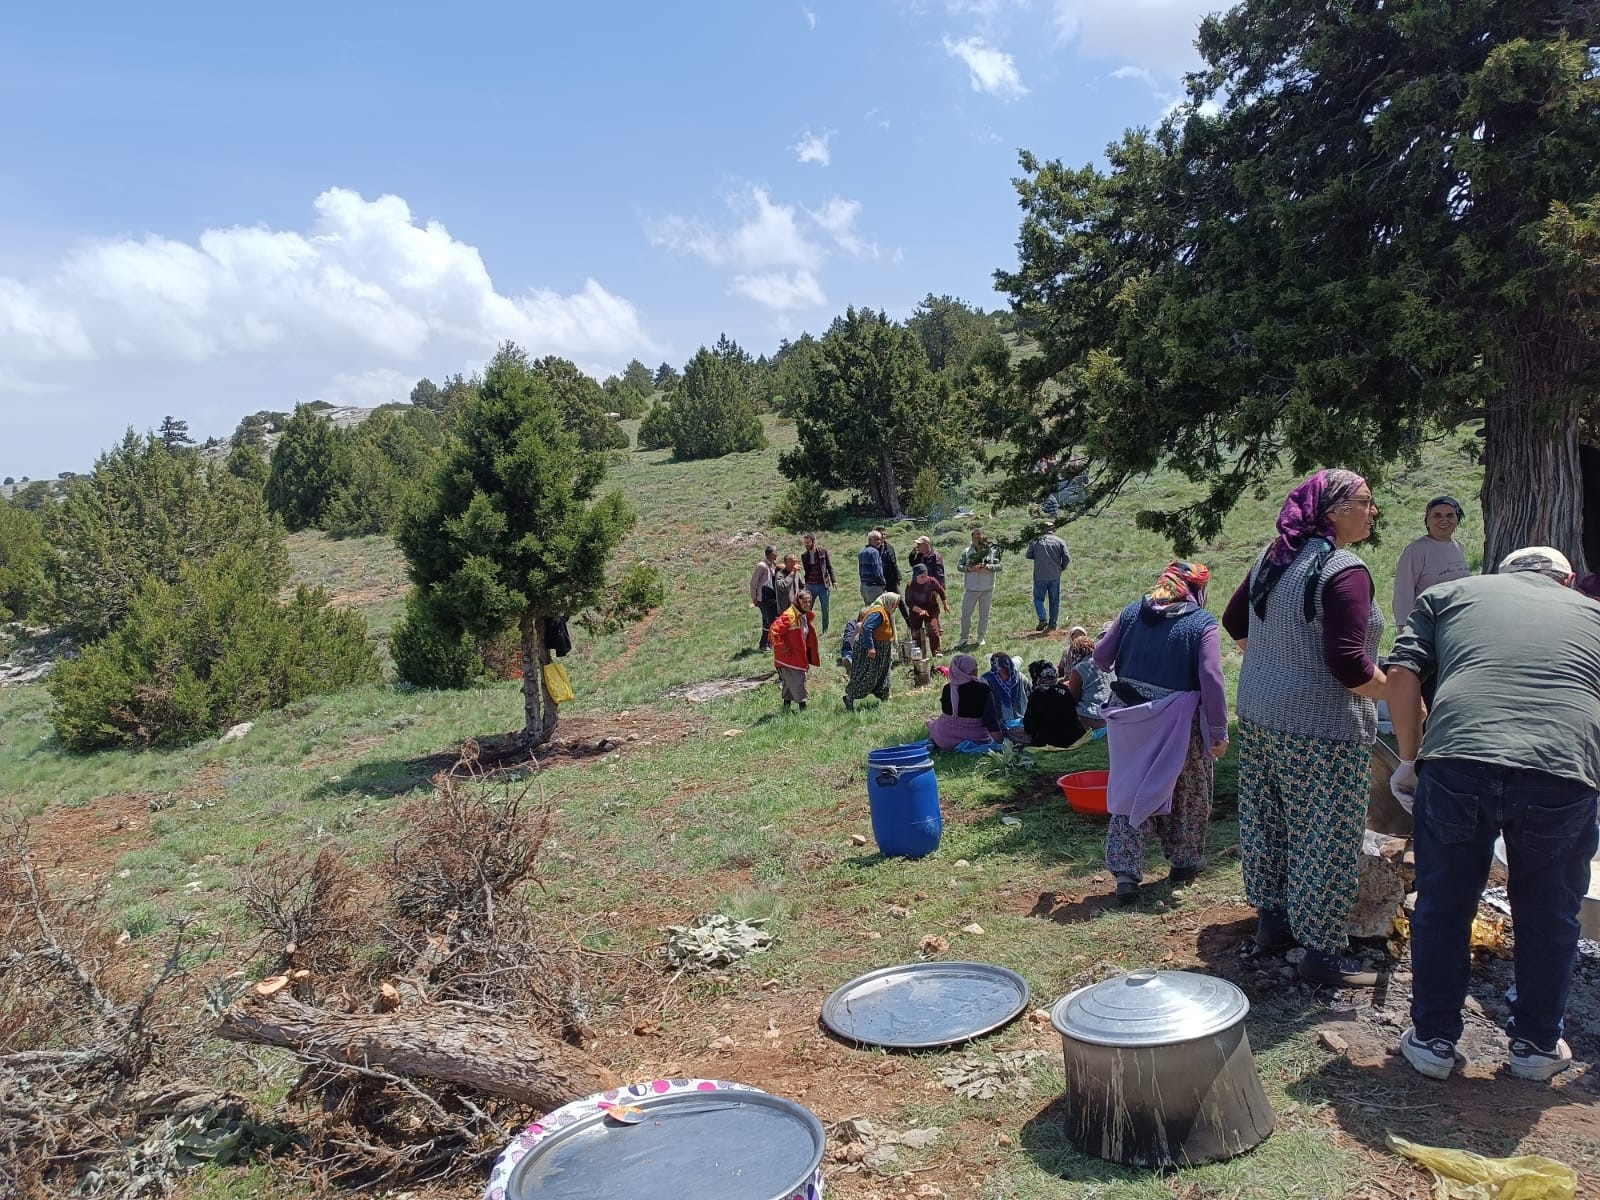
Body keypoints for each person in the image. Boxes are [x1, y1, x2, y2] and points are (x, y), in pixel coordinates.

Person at [1387, 546, 1600, 1082]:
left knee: (1445, 904)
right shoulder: (1592, 613)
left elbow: (1402, 672)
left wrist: (1410, 759)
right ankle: (1535, 1047)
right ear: (1567, 579)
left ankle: (1433, 1039)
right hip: (1562, 769)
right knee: (1550, 914)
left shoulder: (1449, 594)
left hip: (1458, 759)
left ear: (1499, 575)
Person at [1221, 468, 1388, 986]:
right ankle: (1321, 955)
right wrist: (1405, 696)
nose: (1373, 510)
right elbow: (1349, 667)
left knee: (1271, 821)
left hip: (1261, 714)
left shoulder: (1277, 555)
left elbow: (1234, 621)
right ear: (1334, 510)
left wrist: (1275, 665)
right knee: (1326, 836)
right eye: (1365, 500)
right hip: (1322, 726)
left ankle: (1274, 927)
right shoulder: (1344, 569)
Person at [1096, 561, 1229, 905]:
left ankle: (1126, 873)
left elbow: (1101, 656)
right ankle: (1184, 864)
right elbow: (1212, 678)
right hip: (1178, 724)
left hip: (1128, 718)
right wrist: (1218, 729)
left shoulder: (1131, 613)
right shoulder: (1201, 624)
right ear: (1197, 590)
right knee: (1187, 789)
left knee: (1130, 789)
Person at [1392, 495, 1472, 629]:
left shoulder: (1457, 546)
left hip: (1459, 622)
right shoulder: (1416, 550)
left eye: (1450, 515)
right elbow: (1403, 592)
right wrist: (1405, 628)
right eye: (1437, 515)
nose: (1444, 520)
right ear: (1427, 521)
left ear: (1457, 519)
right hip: (1429, 625)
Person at [926, 653, 1004, 749]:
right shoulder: (982, 689)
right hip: (975, 738)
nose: (977, 669)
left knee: (933, 722)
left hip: (943, 737)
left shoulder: (947, 688)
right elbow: (990, 720)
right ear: (969, 670)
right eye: (974, 667)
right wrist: (1001, 742)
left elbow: (948, 712)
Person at [843, 591, 899, 710]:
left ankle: (884, 696)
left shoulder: (886, 612)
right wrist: (871, 647)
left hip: (882, 652)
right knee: (867, 676)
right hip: (871, 651)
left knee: (882, 675)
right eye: (895, 604)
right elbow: (867, 627)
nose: (896, 607)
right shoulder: (879, 613)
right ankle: (849, 698)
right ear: (888, 602)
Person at [770, 588, 821, 714]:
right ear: (798, 601)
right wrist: (782, 647)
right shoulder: (789, 615)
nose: (808, 605)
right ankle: (803, 710)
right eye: (805, 602)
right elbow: (773, 631)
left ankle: (786, 708)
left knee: (788, 683)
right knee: (799, 681)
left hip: (798, 655)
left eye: (809, 602)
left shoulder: (803, 615)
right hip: (789, 657)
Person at [1021, 662, 1087, 747]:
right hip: (1073, 737)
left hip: (1049, 741)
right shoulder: (1064, 689)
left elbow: (1029, 727)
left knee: (1013, 732)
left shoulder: (1035, 696)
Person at [1059, 626, 1114, 732]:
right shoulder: (1107, 662)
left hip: (1091, 718)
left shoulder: (1079, 669)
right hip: (1110, 715)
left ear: (1075, 653)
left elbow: (1073, 699)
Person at [956, 526, 1002, 648]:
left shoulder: (992, 551)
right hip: (971, 588)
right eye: (975, 536)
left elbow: (1000, 566)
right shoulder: (966, 551)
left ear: (984, 537)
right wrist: (969, 569)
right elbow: (959, 566)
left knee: (984, 615)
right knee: (966, 614)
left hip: (987, 588)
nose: (978, 538)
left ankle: (981, 638)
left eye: (980, 536)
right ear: (972, 537)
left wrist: (989, 567)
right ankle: (964, 638)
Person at [1025, 523, 1071, 632]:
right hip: (1055, 575)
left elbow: (1028, 555)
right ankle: (1052, 624)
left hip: (1040, 575)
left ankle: (1043, 618)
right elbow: (1067, 557)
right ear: (1054, 529)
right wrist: (1061, 568)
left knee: (1038, 599)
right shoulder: (1059, 541)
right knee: (1054, 601)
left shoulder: (1035, 541)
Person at [903, 562, 948, 656]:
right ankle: (919, 653)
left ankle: (936, 651)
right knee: (916, 632)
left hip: (931, 608)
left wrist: (945, 604)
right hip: (916, 611)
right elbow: (908, 602)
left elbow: (941, 591)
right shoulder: (911, 585)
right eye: (921, 576)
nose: (924, 578)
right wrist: (920, 610)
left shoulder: (932, 581)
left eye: (925, 575)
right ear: (916, 576)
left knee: (933, 628)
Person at [801, 533, 838, 632]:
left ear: (813, 542)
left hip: (823, 585)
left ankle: (825, 629)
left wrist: (834, 581)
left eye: (808, 542)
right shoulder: (804, 556)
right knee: (807, 609)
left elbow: (829, 566)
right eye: (805, 543)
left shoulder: (823, 552)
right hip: (810, 586)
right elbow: (806, 571)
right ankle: (806, 629)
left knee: (825, 609)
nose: (806, 545)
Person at [982, 652, 1029, 725]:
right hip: (996, 722)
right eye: (999, 669)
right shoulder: (987, 680)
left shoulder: (1020, 678)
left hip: (1020, 719)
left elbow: (1030, 693)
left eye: (1003, 669)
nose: (1002, 671)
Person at [750, 545, 779, 651]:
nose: (777, 554)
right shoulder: (762, 566)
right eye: (776, 552)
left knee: (767, 621)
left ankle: (768, 643)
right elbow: (754, 583)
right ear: (771, 554)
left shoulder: (773, 565)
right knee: (769, 621)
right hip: (762, 598)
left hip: (770, 598)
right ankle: (764, 644)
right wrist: (754, 597)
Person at [858, 531, 887, 607]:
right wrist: (883, 583)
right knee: (880, 612)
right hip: (874, 587)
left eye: (880, 539)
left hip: (864, 587)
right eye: (877, 539)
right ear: (870, 540)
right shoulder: (874, 552)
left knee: (869, 612)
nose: (879, 542)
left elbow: (860, 571)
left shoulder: (861, 552)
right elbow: (877, 571)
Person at [874, 526, 903, 594]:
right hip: (878, 581)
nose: (883, 536)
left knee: (898, 600)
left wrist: (897, 577)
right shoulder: (872, 549)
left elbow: (894, 563)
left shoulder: (889, 547)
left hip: (890, 579)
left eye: (884, 534)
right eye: (881, 534)